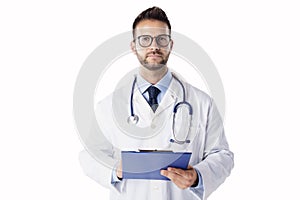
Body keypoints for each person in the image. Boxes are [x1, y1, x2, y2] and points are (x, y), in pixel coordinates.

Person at [79, 6, 234, 200]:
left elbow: (222, 155)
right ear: (134, 46)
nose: (154, 46)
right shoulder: (108, 105)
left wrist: (197, 176)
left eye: (161, 39)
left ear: (170, 44)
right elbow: (90, 156)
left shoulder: (202, 103)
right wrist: (116, 169)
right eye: (145, 39)